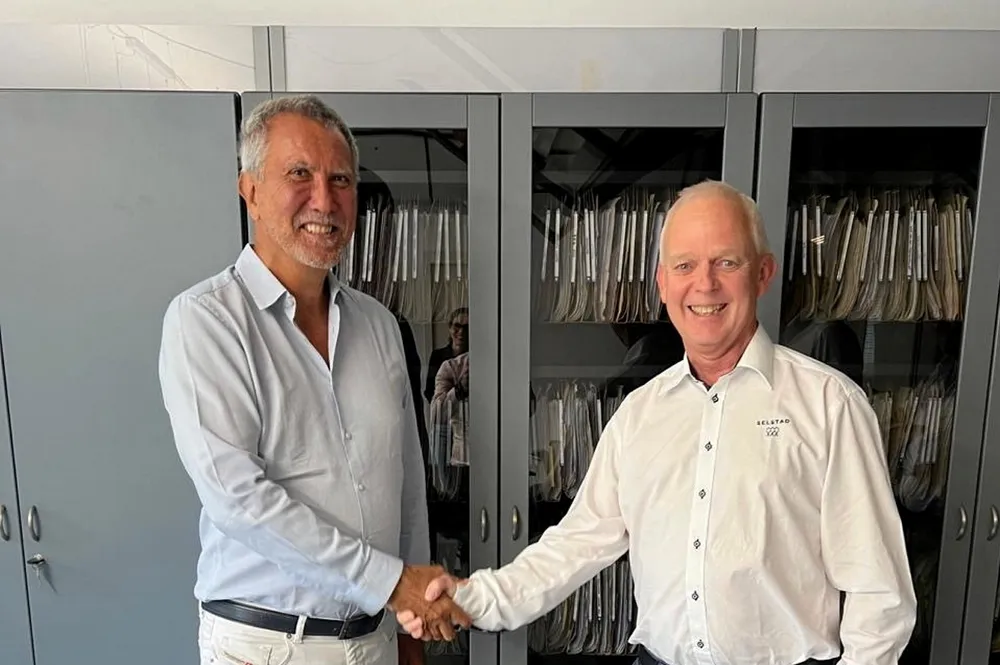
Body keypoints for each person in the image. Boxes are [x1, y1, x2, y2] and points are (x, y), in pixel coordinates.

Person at [397, 180, 918, 665]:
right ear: (663, 284)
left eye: (726, 262)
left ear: (762, 274)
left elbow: (880, 596)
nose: (705, 284)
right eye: (685, 265)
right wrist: (472, 598)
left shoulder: (830, 405)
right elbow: (575, 544)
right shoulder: (639, 414)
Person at [157, 94, 469, 665]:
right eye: (299, 174)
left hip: (376, 639)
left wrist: (411, 626)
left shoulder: (379, 325)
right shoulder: (206, 321)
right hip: (268, 646)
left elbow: (406, 483)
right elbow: (238, 499)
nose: (324, 200)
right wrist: (391, 583)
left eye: (341, 179)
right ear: (251, 190)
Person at [423, 307, 469, 402]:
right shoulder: (437, 356)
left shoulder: (474, 358)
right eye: (457, 326)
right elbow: (430, 391)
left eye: (466, 327)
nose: (461, 331)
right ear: (450, 327)